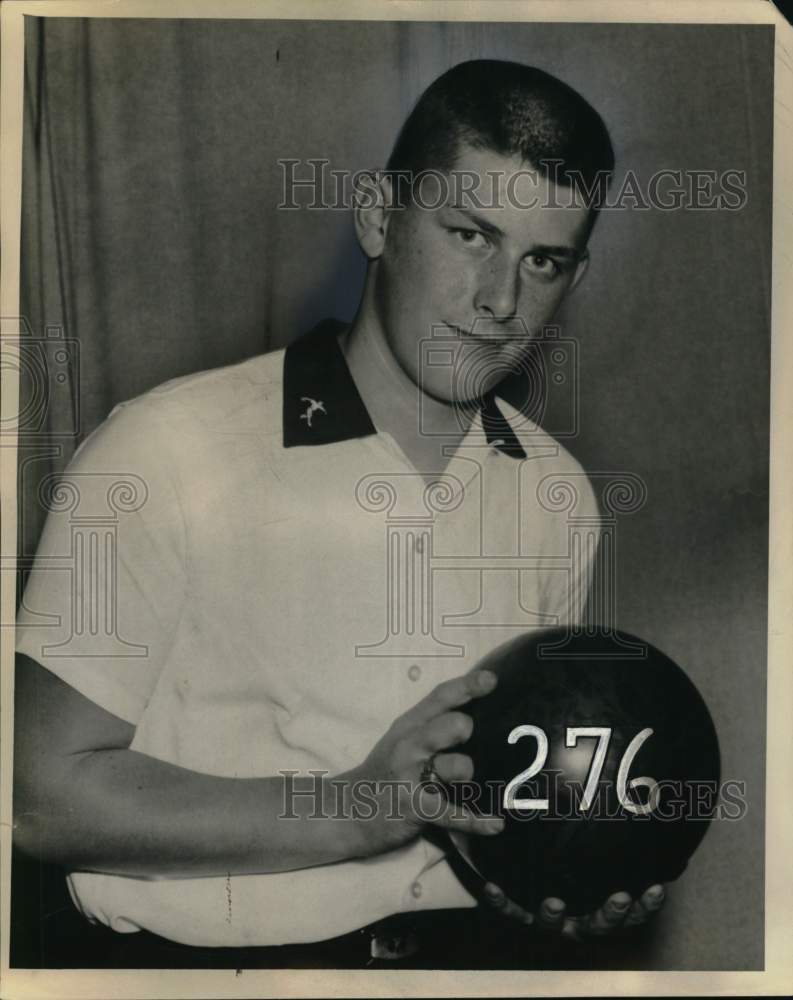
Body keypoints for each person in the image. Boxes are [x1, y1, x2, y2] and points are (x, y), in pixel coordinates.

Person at [13, 59, 665, 968]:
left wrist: (563, 879)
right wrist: (352, 811)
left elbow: (507, 800)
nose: (501, 300)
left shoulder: (557, 496)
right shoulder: (166, 448)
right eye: (471, 234)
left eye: (541, 259)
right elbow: (36, 796)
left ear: (575, 274)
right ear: (376, 215)